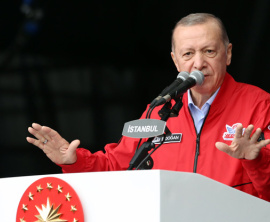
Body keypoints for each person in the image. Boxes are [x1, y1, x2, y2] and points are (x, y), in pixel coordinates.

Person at [27, 13, 270, 201]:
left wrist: (256, 160)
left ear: (227, 54)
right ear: (175, 61)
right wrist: (73, 161)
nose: (198, 63)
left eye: (209, 51)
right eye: (188, 54)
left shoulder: (259, 105)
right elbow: (120, 165)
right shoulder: (157, 110)